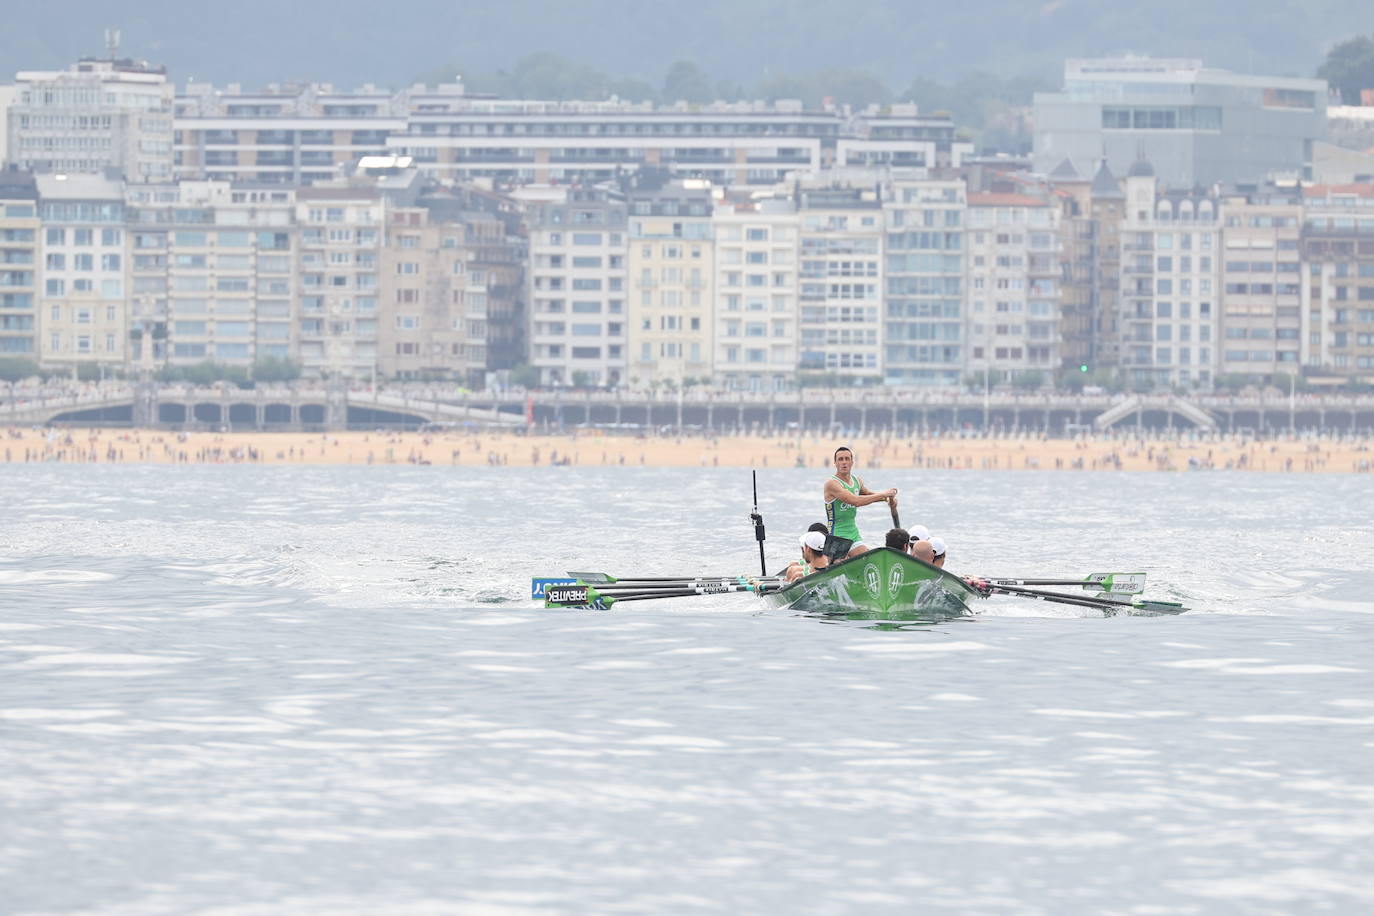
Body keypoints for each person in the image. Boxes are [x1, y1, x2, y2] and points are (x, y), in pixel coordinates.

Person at [824, 446, 897, 557]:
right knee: (836, 568)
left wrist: (886, 500)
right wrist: (884, 494)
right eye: (840, 459)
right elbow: (855, 501)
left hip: (853, 533)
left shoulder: (856, 480)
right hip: (836, 535)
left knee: (868, 559)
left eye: (847, 459)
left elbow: (867, 494)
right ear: (835, 463)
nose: (844, 462)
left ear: (852, 462)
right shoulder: (832, 484)